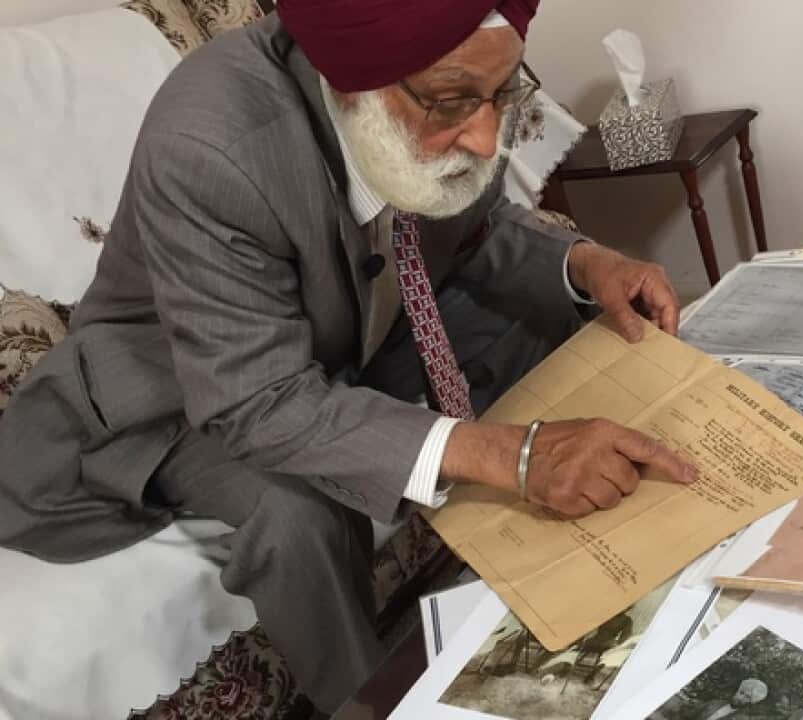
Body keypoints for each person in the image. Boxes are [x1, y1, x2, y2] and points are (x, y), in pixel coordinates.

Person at [0, 0, 699, 712]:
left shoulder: (428, 87)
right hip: (176, 383)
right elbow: (257, 401)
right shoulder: (211, 145)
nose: (488, 139)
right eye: (456, 102)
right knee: (299, 508)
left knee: (542, 310)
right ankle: (377, 702)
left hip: (335, 328)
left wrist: (587, 262)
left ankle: (541, 573)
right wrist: (516, 457)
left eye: (501, 94)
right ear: (354, 87)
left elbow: (475, 229)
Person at [692, 678, 769, 720]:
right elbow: (689, 715)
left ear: (751, 701)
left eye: (747, 697)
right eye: (741, 693)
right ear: (737, 691)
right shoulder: (714, 703)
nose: (740, 697)